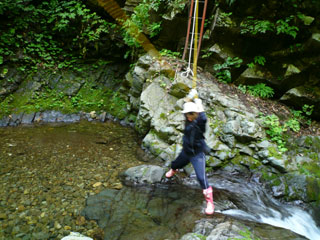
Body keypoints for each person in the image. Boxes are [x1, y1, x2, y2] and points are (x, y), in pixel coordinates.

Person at [165, 89, 214, 215]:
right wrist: (191, 95)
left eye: (189, 114)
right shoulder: (188, 118)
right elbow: (186, 103)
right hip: (186, 151)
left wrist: (198, 101)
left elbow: (203, 115)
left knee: (201, 178)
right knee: (175, 164)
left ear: (195, 113)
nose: (187, 116)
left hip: (197, 154)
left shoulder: (200, 122)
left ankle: (209, 202)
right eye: (186, 114)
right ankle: (174, 169)